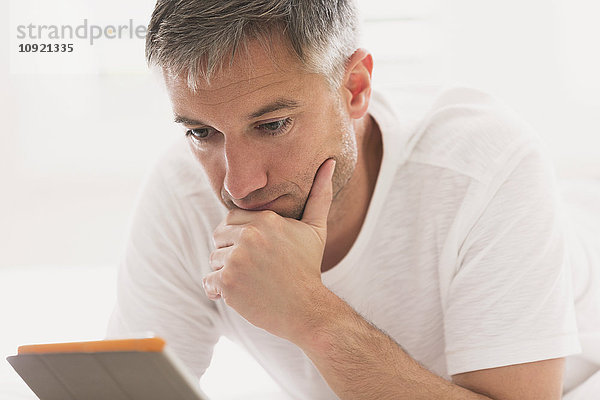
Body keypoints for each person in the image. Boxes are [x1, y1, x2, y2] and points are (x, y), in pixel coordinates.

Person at [107, 0, 600, 398]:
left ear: (355, 87)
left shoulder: (486, 165)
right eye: (201, 132)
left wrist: (310, 312)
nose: (239, 184)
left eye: (273, 125)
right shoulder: (181, 188)